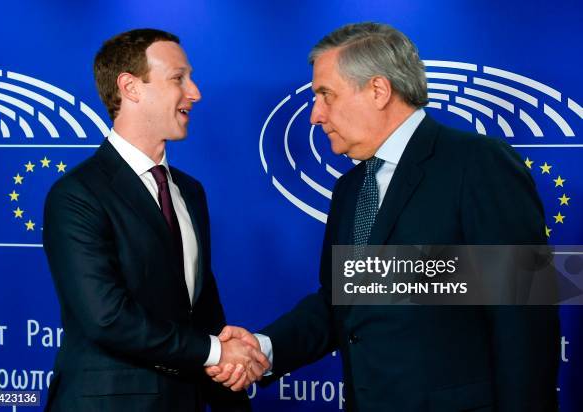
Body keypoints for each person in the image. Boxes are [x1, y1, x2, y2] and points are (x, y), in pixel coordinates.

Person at [207, 23, 560, 411]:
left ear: (378, 90)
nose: (315, 115)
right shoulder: (350, 188)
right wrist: (263, 347)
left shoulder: (477, 164)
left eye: (325, 95)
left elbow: (523, 319)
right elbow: (342, 301)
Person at [43, 28, 268, 411]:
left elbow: (201, 309)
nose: (194, 93)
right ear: (131, 87)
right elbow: (107, 318)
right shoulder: (77, 195)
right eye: (178, 78)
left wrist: (231, 378)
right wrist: (217, 352)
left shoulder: (190, 191)